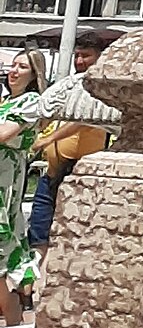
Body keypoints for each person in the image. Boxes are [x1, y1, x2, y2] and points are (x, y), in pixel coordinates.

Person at [24, 30, 118, 264]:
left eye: (85, 56)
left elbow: (84, 120)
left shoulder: (104, 91)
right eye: (77, 55)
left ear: (99, 57)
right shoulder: (69, 87)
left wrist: (48, 139)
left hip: (78, 171)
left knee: (71, 233)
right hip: (52, 171)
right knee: (38, 230)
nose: (79, 61)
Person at [0, 49, 47, 322]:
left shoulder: (31, 101)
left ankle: (15, 320)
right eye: (13, 65)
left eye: (22, 67)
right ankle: (14, 320)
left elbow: (4, 134)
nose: (14, 71)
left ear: (33, 74)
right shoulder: (6, 101)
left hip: (5, 180)